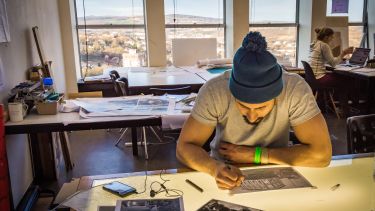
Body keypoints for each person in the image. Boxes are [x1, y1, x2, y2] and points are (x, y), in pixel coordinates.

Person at [176, 31, 332, 190]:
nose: (251, 116)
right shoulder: (215, 90)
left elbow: (322, 155)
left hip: (277, 167)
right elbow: (184, 147)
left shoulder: (294, 90)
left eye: (261, 107)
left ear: (277, 96)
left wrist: (256, 154)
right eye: (243, 106)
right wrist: (214, 168)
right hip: (224, 167)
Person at [309, 27, 353, 115]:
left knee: (339, 78)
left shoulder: (315, 43)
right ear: (326, 37)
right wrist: (343, 53)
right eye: (331, 37)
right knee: (345, 81)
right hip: (320, 78)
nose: (332, 39)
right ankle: (345, 110)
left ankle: (342, 108)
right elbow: (333, 63)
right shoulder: (324, 45)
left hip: (313, 78)